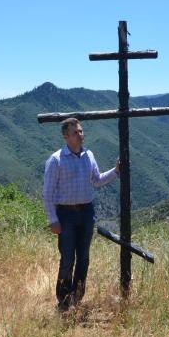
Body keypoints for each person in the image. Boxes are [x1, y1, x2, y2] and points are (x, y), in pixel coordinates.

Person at [43, 117, 120, 312]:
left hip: (86, 213)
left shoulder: (89, 155)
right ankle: (63, 300)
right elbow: (48, 193)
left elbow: (97, 180)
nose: (80, 135)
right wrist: (53, 220)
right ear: (66, 137)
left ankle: (77, 298)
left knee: (84, 258)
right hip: (66, 215)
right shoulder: (56, 160)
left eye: (81, 131)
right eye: (75, 132)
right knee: (67, 258)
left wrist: (116, 171)